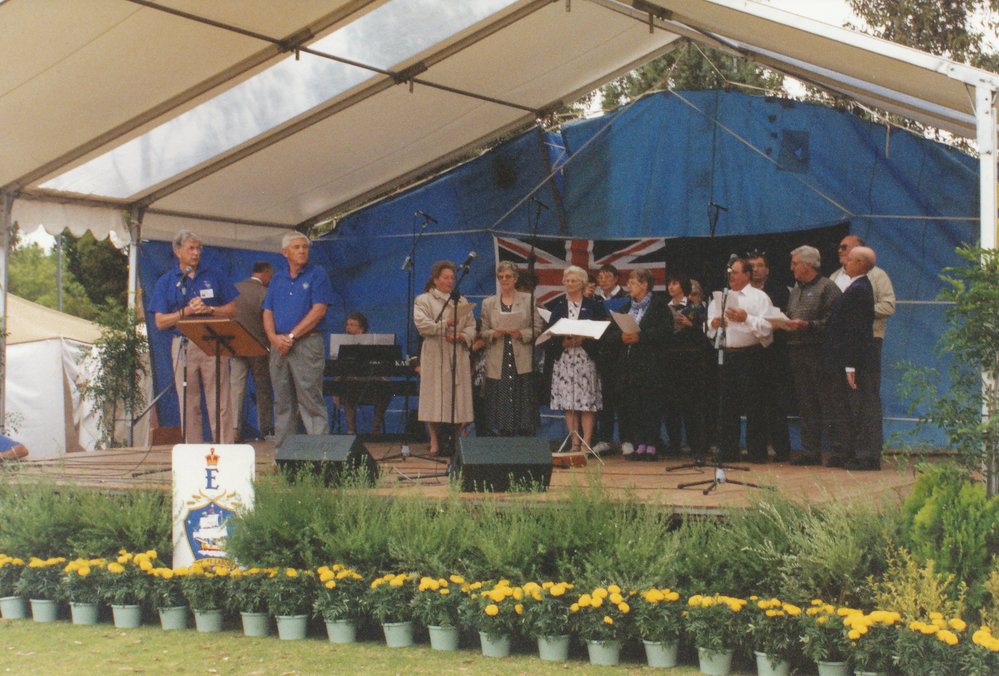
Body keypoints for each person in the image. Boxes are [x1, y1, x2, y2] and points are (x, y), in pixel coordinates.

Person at [150, 230, 238, 444]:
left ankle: (224, 448)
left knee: (220, 400)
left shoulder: (213, 275)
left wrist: (209, 309)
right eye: (191, 248)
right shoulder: (167, 281)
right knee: (188, 402)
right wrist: (187, 312)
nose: (196, 253)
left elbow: (233, 309)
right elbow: (160, 322)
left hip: (213, 343)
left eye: (198, 248)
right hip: (183, 345)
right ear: (177, 251)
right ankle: (193, 449)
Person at [262, 233, 334, 449]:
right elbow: (267, 311)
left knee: (310, 399)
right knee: (282, 401)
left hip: (306, 343)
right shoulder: (277, 278)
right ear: (285, 253)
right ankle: (283, 456)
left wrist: (291, 336)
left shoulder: (317, 274)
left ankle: (320, 456)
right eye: (296, 247)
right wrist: (273, 338)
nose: (302, 251)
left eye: (305, 247)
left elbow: (319, 310)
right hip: (279, 347)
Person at [830, 234, 894, 456]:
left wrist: (860, 312)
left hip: (867, 340)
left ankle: (869, 451)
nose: (840, 251)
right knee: (844, 399)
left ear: (859, 253)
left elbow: (888, 305)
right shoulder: (837, 277)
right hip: (843, 344)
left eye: (844, 247)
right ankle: (847, 449)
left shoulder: (876, 276)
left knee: (865, 397)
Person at [706, 258, 775, 463]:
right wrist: (714, 324)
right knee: (727, 406)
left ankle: (756, 452)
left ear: (747, 274)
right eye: (729, 273)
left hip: (751, 355)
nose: (731, 276)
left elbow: (768, 328)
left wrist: (746, 318)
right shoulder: (722, 297)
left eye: (735, 272)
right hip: (727, 355)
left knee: (754, 406)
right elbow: (708, 328)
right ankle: (728, 450)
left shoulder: (759, 297)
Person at [782, 246, 842, 466]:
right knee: (806, 403)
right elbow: (790, 315)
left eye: (795, 264)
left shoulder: (828, 287)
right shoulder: (796, 290)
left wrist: (810, 326)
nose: (792, 268)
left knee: (827, 402)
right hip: (797, 351)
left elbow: (835, 321)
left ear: (808, 265)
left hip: (820, 351)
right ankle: (810, 451)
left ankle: (838, 451)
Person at [823, 246, 881, 470]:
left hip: (855, 360)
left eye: (851, 259)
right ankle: (853, 453)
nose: (845, 262)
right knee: (848, 408)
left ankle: (865, 456)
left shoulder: (859, 289)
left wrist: (850, 365)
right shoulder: (855, 287)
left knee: (860, 408)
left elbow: (855, 331)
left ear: (861, 264)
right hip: (847, 358)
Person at [604, 268, 671, 460]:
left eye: (633, 283)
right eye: (629, 283)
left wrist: (640, 337)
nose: (629, 286)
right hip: (629, 365)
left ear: (644, 285)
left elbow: (665, 332)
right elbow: (611, 334)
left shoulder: (659, 306)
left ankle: (651, 445)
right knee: (634, 406)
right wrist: (622, 336)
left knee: (651, 406)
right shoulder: (626, 308)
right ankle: (639, 444)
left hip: (651, 364)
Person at [414, 260, 476, 456]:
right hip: (434, 352)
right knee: (433, 398)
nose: (450, 281)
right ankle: (434, 441)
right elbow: (423, 326)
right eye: (446, 277)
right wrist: (445, 324)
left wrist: (462, 336)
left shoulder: (462, 301)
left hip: (456, 351)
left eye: (452, 277)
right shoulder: (423, 300)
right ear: (435, 279)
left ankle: (457, 441)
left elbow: (472, 326)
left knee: (458, 398)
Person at [546, 265, 608, 452]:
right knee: (570, 404)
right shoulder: (558, 307)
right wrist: (562, 343)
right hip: (565, 359)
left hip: (585, 358)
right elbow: (550, 334)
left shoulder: (594, 306)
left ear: (582, 284)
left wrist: (585, 339)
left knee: (586, 403)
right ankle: (574, 442)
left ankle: (587, 442)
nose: (570, 284)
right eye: (567, 280)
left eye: (574, 281)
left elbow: (602, 331)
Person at [480, 262, 545, 436]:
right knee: (501, 401)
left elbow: (537, 327)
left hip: (521, 357)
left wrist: (522, 334)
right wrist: (494, 333)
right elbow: (483, 330)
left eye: (508, 276)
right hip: (499, 358)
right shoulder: (489, 303)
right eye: (501, 277)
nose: (504, 280)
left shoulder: (527, 299)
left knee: (523, 399)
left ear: (515, 279)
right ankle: (505, 438)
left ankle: (524, 440)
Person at [746, 250, 791, 462]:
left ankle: (782, 450)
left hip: (774, 353)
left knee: (776, 404)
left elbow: (781, 319)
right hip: (750, 353)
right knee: (754, 404)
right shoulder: (741, 293)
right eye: (751, 265)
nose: (755, 269)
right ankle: (757, 451)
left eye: (759, 265)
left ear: (767, 270)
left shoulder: (779, 291)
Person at [663, 272, 709, 459]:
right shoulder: (664, 308)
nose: (671, 287)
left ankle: (696, 446)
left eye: (675, 283)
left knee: (692, 406)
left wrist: (692, 325)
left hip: (690, 362)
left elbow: (705, 335)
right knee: (671, 406)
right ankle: (674, 445)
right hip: (669, 361)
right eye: (669, 284)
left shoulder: (695, 307)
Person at [230, 261, 274, 442]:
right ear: (264, 273)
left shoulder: (234, 289)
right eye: (270, 275)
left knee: (236, 388)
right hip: (259, 348)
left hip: (236, 347)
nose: (271, 279)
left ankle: (234, 429)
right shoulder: (265, 293)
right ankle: (264, 428)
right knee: (263, 389)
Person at [593, 263, 628, 453]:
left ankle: (626, 439)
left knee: (622, 398)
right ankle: (605, 439)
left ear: (616, 278)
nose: (603, 281)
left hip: (621, 353)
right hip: (602, 352)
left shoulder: (625, 298)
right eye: (601, 277)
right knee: (604, 398)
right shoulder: (596, 299)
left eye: (607, 277)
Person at [340, 312, 392, 435]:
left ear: (361, 329)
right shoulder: (340, 343)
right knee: (346, 387)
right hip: (350, 382)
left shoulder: (373, 343)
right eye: (347, 324)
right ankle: (351, 429)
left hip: (370, 382)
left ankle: (375, 428)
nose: (348, 327)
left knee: (387, 387)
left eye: (352, 325)